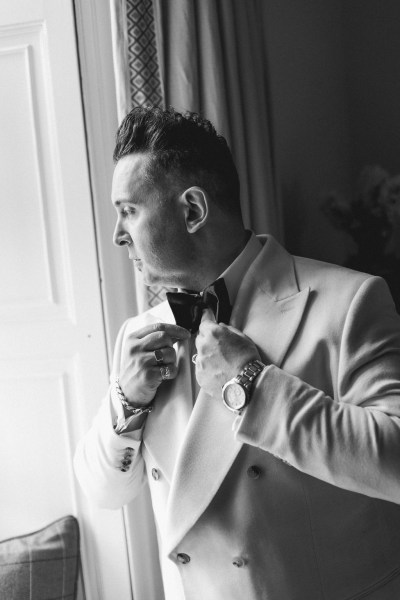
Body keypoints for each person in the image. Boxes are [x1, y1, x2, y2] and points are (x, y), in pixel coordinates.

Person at [74, 106, 400, 600]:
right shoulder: (141, 335)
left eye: (129, 210)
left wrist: (252, 385)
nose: (118, 234)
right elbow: (104, 493)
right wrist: (127, 401)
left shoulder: (349, 302)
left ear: (192, 211)